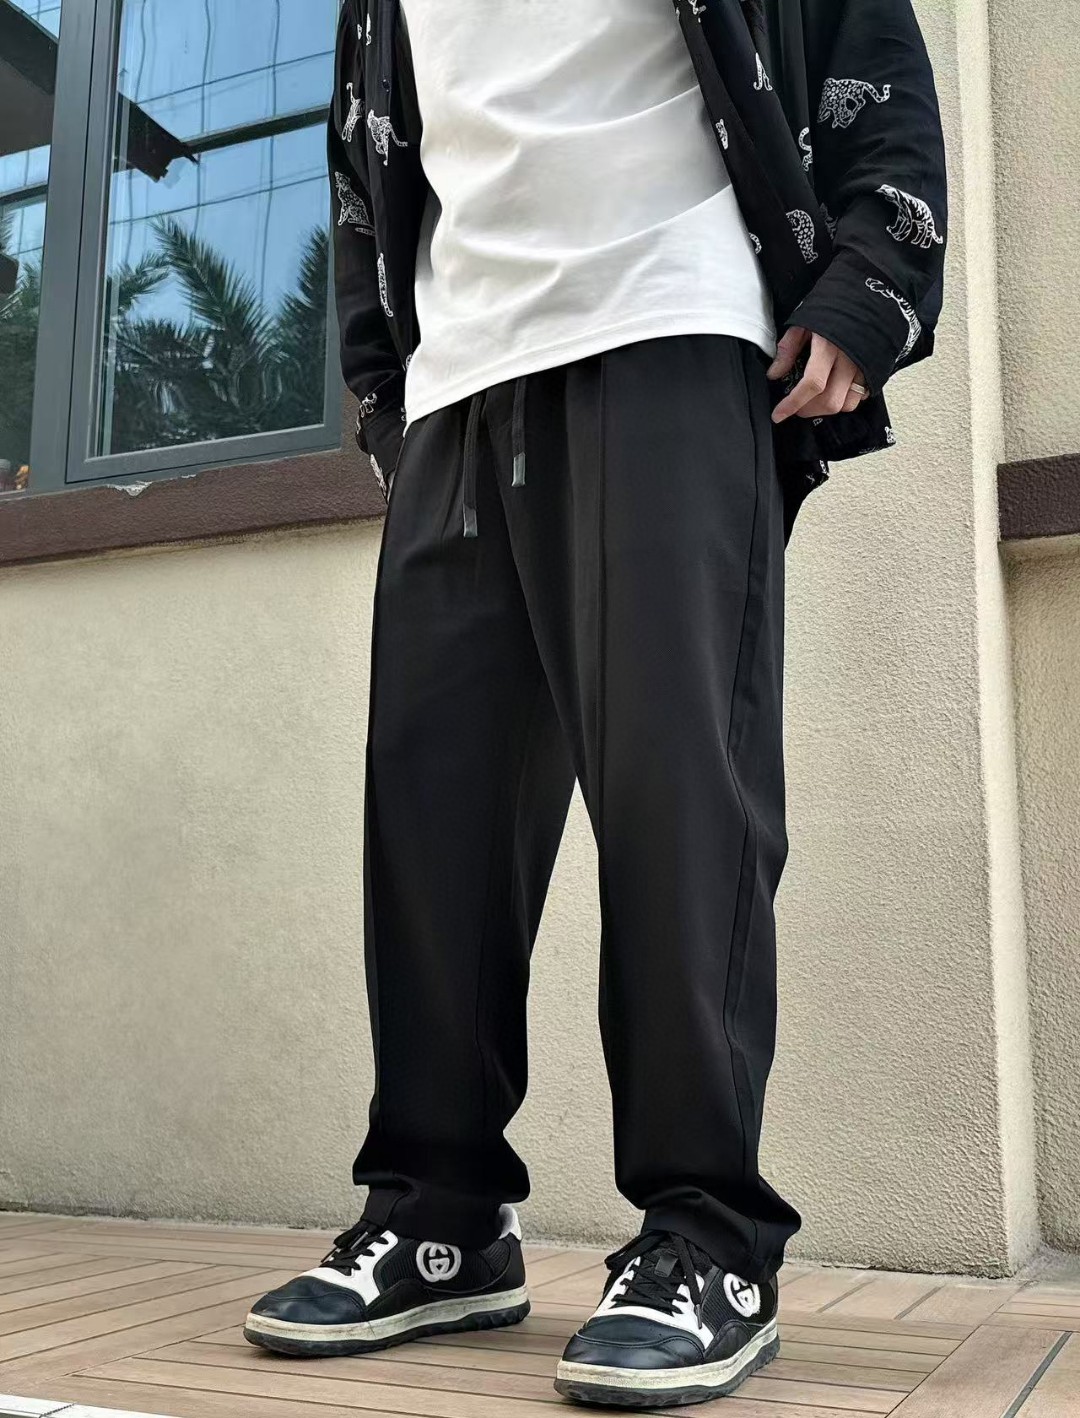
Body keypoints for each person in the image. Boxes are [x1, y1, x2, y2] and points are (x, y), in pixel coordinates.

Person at [244, 0, 947, 1405]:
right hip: (457, 381)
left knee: (677, 802)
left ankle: (708, 1236)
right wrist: (381, 386)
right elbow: (363, 170)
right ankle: (440, 1215)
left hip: (671, 322)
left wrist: (873, 277)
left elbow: (866, 41)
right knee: (432, 826)